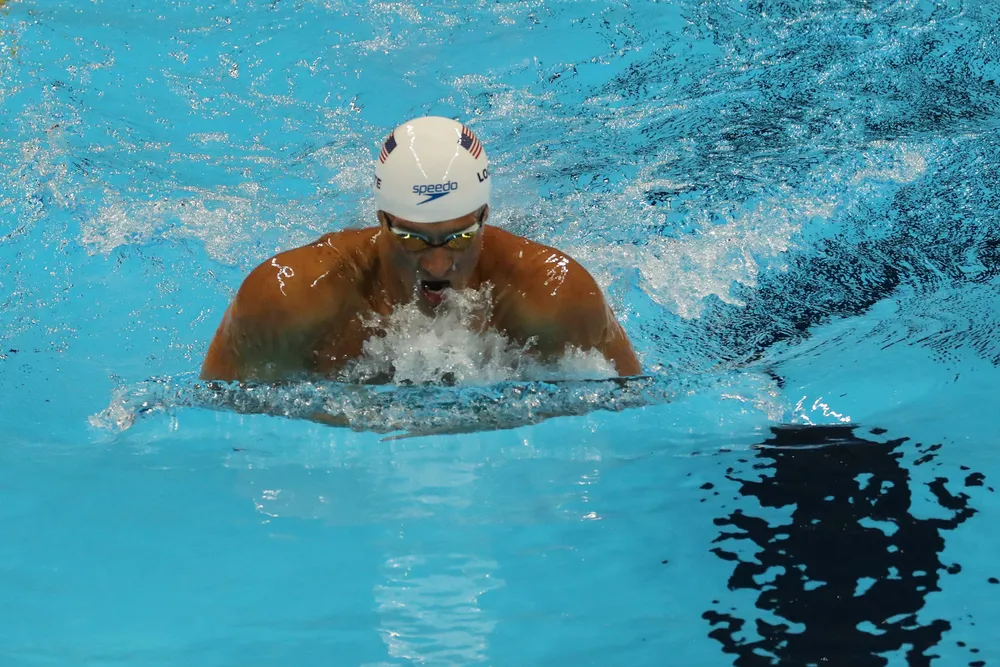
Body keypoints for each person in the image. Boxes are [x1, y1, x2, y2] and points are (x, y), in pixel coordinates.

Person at [199, 115, 641, 384]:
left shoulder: (555, 296)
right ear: (381, 221)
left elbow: (630, 415)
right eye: (411, 238)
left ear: (484, 217)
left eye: (460, 237)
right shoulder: (289, 299)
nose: (436, 263)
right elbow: (220, 423)